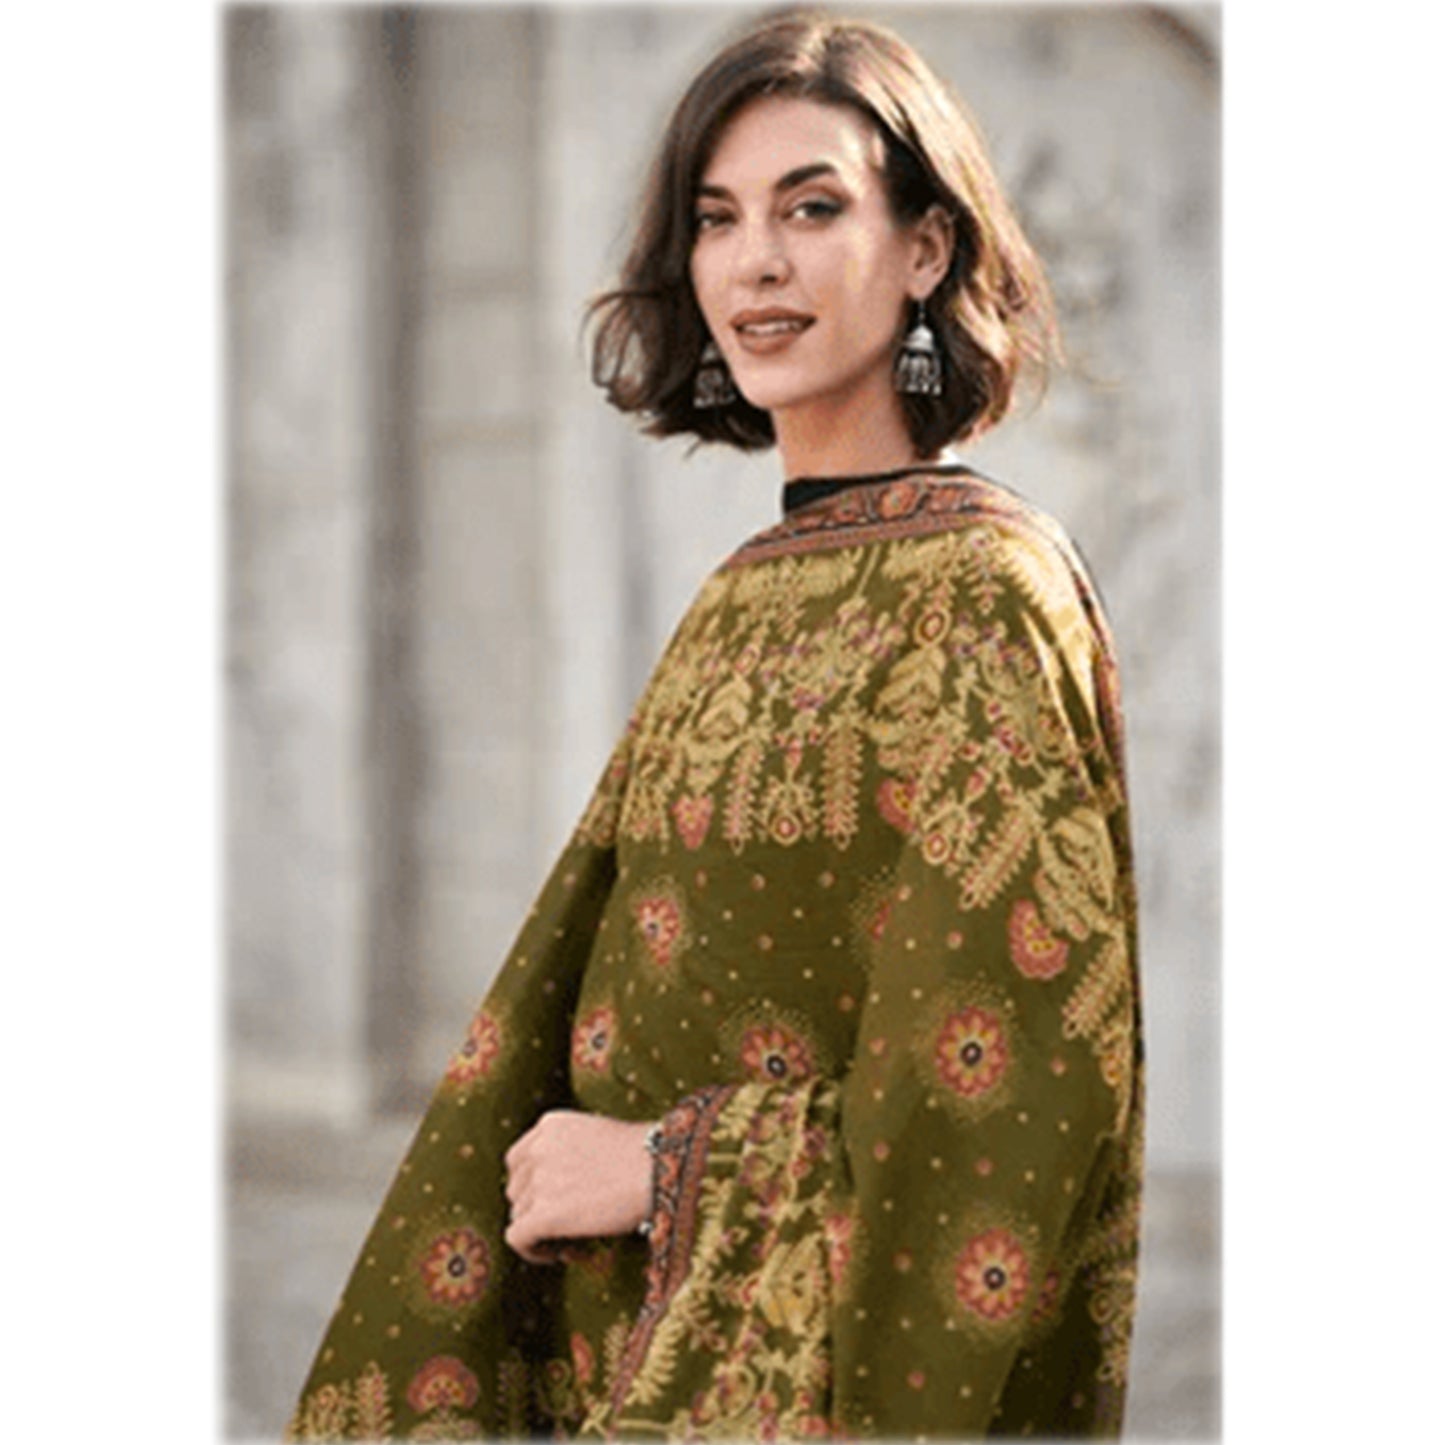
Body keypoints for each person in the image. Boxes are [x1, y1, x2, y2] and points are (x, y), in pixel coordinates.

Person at [284, 8, 1144, 1440]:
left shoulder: (985, 593)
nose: (755, 262)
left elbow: (1005, 1108)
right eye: (717, 218)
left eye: (812, 208)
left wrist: (659, 1171)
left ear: (926, 249)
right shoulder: (746, 590)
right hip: (623, 1353)